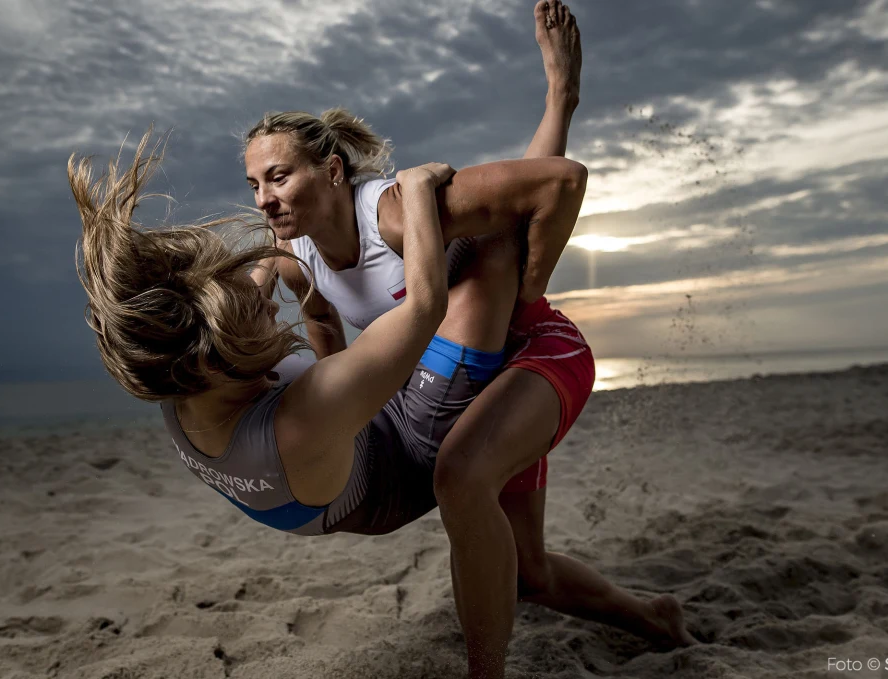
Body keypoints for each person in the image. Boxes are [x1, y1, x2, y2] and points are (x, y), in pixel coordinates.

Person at [244, 3, 691, 676]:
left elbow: (551, 188)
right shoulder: (300, 255)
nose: (263, 197)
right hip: (476, 381)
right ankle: (655, 617)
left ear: (333, 172)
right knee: (528, 574)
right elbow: (325, 330)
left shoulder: (394, 211)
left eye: (278, 176)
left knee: (461, 476)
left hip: (540, 355)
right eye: (254, 183)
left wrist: (525, 290)